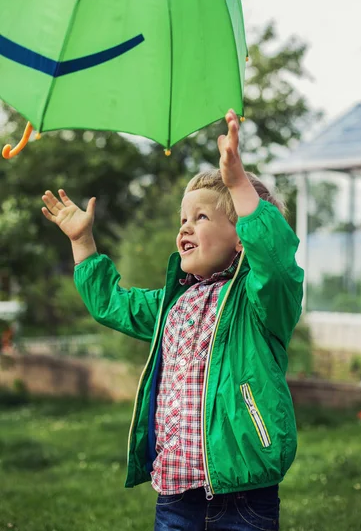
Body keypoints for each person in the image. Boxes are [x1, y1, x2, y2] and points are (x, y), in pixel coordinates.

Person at [41, 110, 304, 531]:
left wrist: (237, 183)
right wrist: (83, 242)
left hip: (244, 494)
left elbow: (275, 261)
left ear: (241, 238)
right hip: (176, 493)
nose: (186, 226)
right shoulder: (172, 304)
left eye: (202, 217)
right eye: (183, 218)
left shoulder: (258, 302)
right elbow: (113, 304)